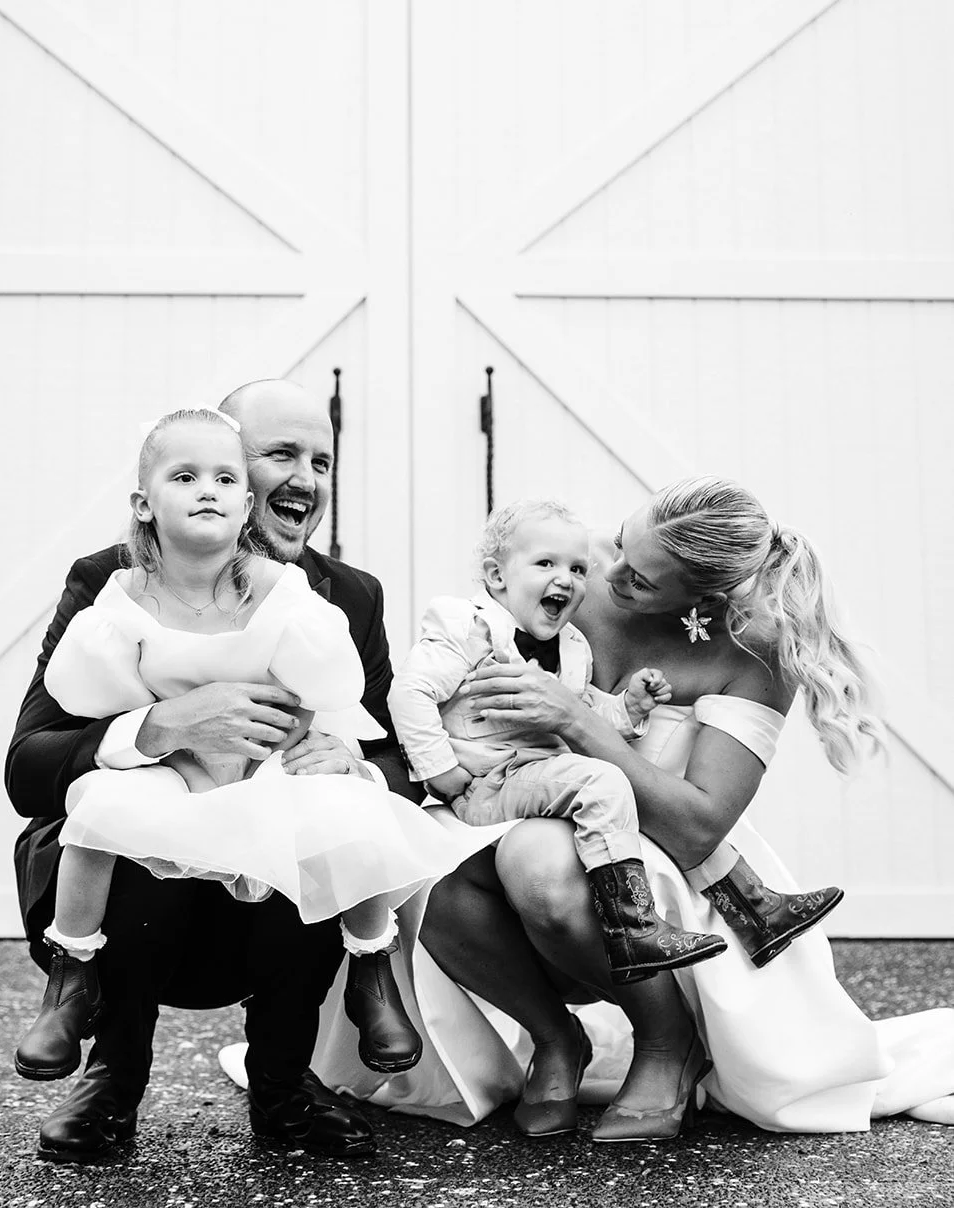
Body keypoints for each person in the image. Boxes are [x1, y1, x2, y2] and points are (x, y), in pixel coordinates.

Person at [305, 477, 954, 1139]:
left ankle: (667, 1039)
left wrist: (578, 722)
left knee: (537, 860)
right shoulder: (569, 568)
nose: (606, 574)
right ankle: (555, 1036)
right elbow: (449, 684)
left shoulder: (754, 653)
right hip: (518, 796)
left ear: (702, 599)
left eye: (640, 579)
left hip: (657, 845)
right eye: (618, 545)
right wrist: (376, 756)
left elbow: (699, 827)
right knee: (428, 862)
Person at [14, 407, 498, 1097]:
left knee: (330, 818)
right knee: (114, 815)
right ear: (150, 499)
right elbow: (29, 766)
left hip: (271, 810)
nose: (305, 478)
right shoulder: (113, 580)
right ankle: (108, 1075)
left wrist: (351, 764)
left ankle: (288, 1079)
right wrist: (159, 726)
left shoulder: (344, 595)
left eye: (321, 462)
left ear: (239, 497)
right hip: (161, 833)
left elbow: (396, 754)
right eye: (280, 454)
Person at [389, 497, 729, 1025]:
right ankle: (633, 924)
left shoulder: (571, 646)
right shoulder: (468, 629)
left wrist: (630, 708)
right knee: (603, 780)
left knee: (601, 778)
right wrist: (439, 771)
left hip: (530, 778)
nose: (565, 579)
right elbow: (409, 692)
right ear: (496, 576)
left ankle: (635, 917)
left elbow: (581, 710)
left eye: (577, 568)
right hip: (486, 785)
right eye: (545, 563)